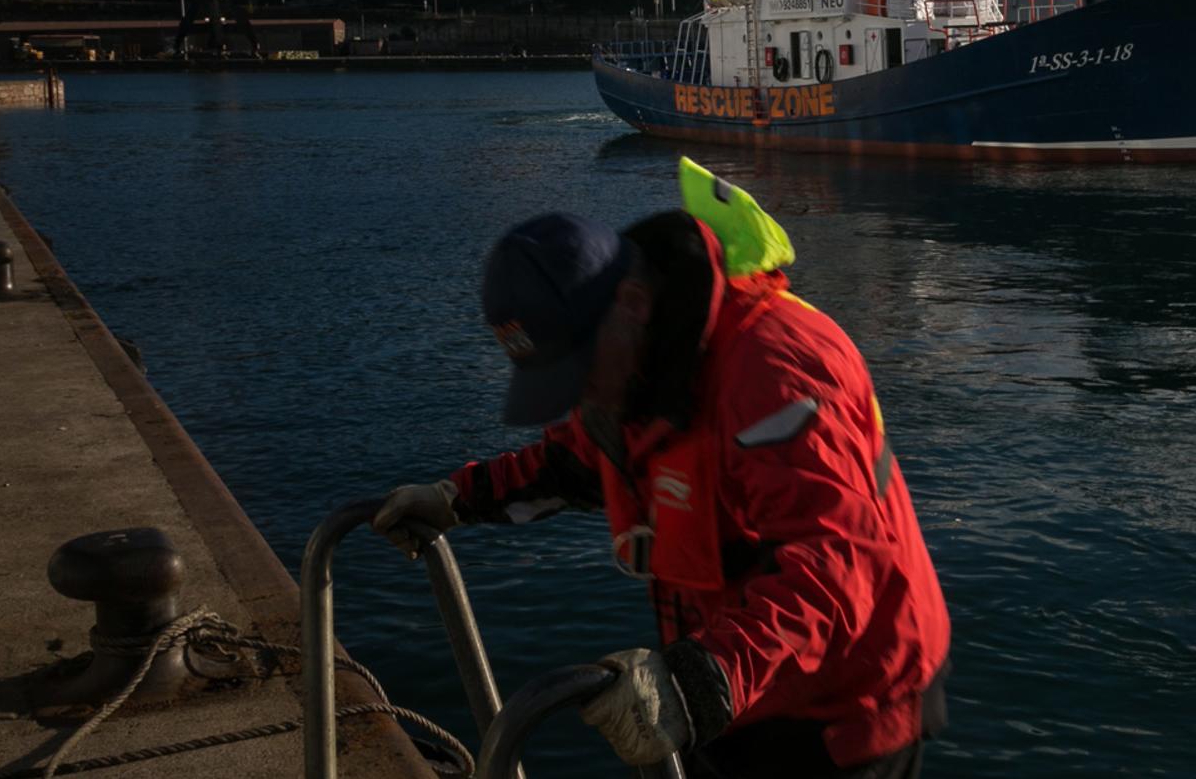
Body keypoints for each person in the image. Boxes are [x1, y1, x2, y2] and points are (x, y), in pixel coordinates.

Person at [374, 159, 951, 778]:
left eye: (577, 373)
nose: (579, 397)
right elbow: (575, 461)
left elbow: (834, 567)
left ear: (631, 301)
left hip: (844, 712)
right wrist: (456, 498)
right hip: (736, 680)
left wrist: (699, 683)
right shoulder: (635, 371)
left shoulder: (774, 368)